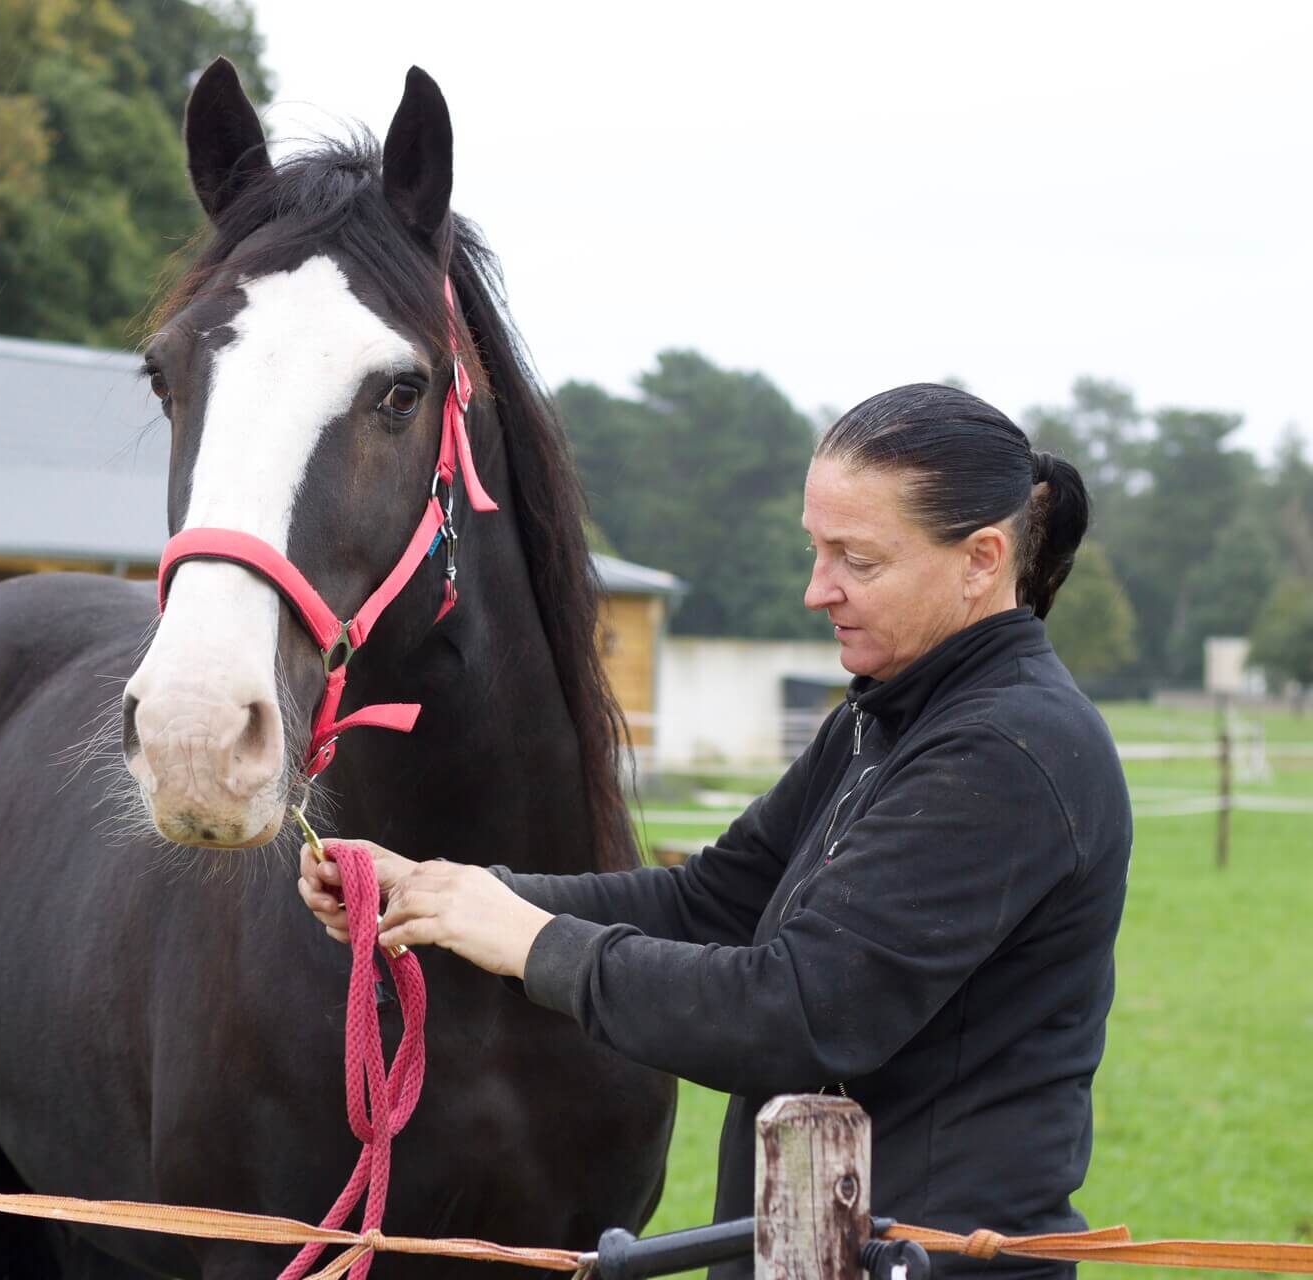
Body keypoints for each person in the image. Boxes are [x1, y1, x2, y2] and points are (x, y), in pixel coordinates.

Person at [299, 383, 1132, 1279]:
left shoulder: (1006, 750)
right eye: (816, 550)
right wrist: (454, 893)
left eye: (859, 559)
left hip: (920, 1262)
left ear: (981, 560)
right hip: (817, 1247)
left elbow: (796, 1014)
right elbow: (711, 899)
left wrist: (531, 942)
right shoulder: (886, 716)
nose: (819, 590)